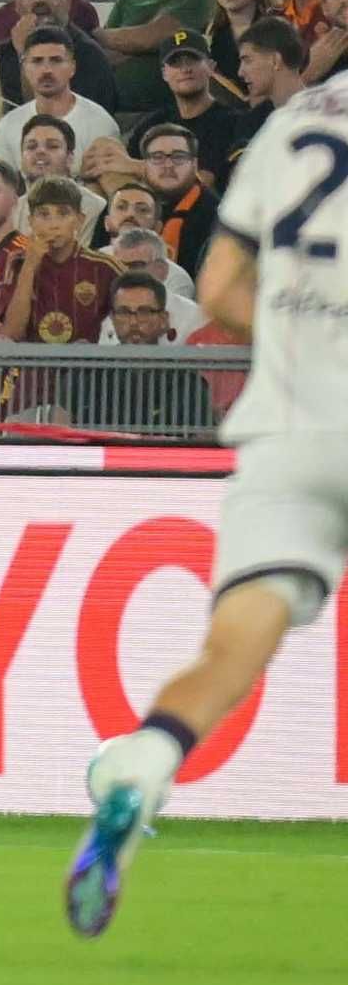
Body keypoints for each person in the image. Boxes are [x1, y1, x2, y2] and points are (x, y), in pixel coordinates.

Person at [67, 58, 348, 934]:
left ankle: (147, 759)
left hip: (291, 430)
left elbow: (220, 286)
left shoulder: (295, 120)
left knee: (230, 649)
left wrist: (309, 337)